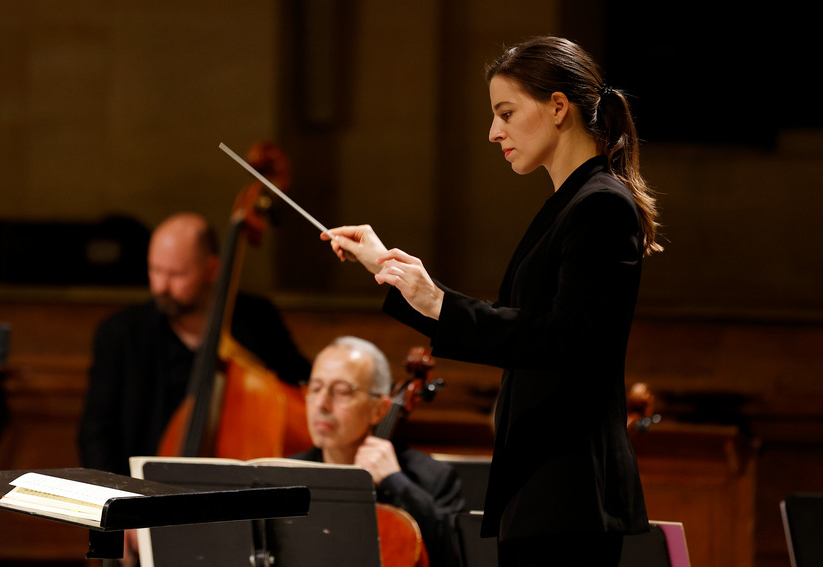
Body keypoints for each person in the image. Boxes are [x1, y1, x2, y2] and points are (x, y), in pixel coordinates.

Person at [321, 36, 661, 566]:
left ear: (557, 107)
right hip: (544, 492)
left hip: (570, 492)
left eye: (506, 113)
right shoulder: (571, 204)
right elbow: (518, 327)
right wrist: (390, 270)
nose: (493, 131)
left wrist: (438, 302)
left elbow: (562, 340)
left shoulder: (600, 206)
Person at [78, 212, 311, 476]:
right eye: (155, 270)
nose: (161, 286)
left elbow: (303, 386)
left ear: (212, 269)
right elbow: (96, 431)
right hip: (138, 489)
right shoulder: (121, 333)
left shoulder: (258, 320)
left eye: (176, 274)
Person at [292, 336, 465, 567]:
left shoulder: (433, 479)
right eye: (315, 388)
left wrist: (397, 483)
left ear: (380, 409)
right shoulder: (287, 476)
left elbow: (459, 555)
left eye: (342, 391)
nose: (321, 403)